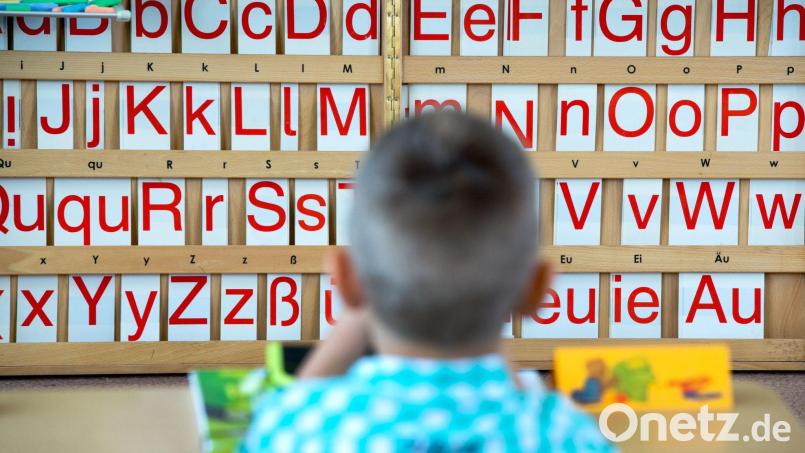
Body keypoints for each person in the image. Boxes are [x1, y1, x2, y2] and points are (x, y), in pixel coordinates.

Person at [240, 112, 615, 452]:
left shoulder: (295, 430)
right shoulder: (569, 437)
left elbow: (289, 410)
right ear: (537, 290)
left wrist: (361, 303)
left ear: (345, 280)